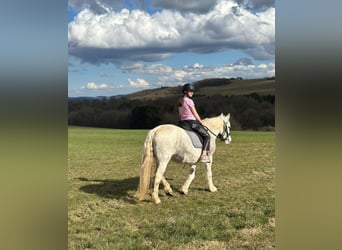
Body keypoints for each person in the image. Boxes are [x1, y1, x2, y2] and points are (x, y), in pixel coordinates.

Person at [178, 83, 210, 163]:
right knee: (207, 136)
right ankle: (204, 155)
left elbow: (180, 114)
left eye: (193, 91)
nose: (192, 93)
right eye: (190, 91)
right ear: (185, 91)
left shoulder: (180, 101)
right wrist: (201, 122)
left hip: (182, 123)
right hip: (192, 123)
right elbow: (195, 113)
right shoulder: (189, 101)